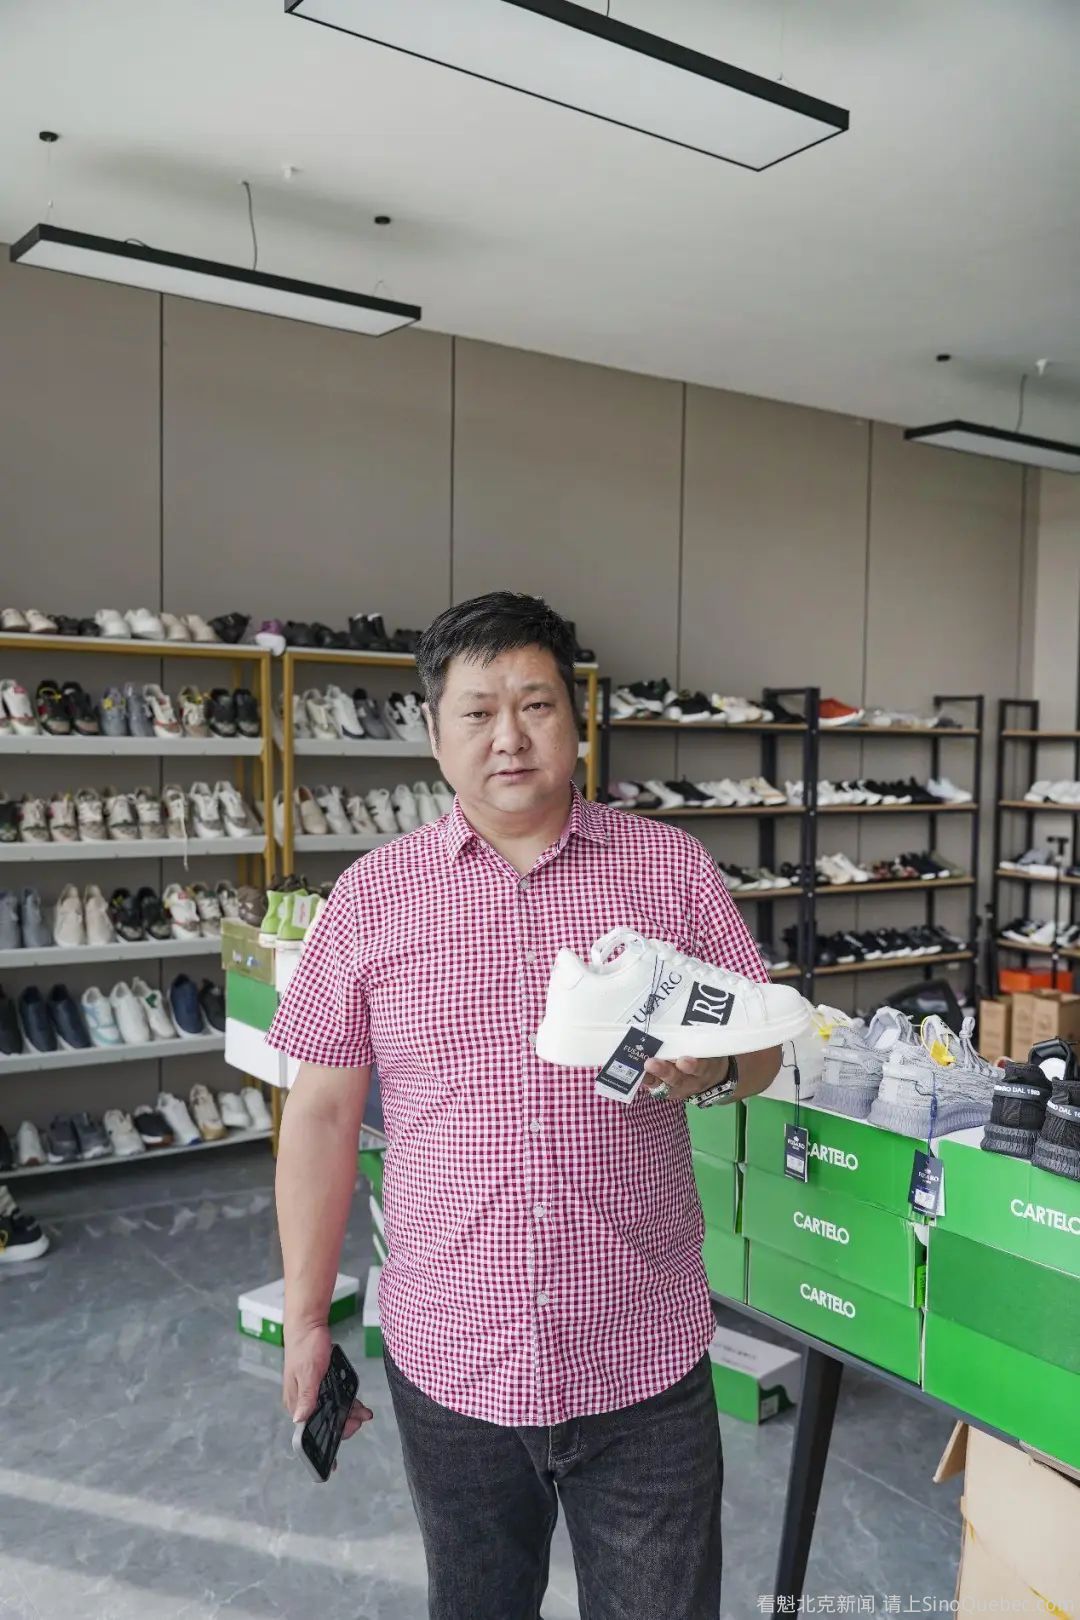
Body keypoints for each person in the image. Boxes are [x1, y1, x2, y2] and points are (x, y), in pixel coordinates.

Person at [268, 591, 782, 1620]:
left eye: (536, 705)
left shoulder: (670, 870)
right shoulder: (370, 897)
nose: (509, 737)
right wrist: (307, 1320)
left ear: (575, 720)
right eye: (478, 711)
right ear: (433, 733)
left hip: (641, 1347)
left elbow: (761, 1048)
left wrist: (716, 1071)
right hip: (451, 1354)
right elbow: (320, 1117)